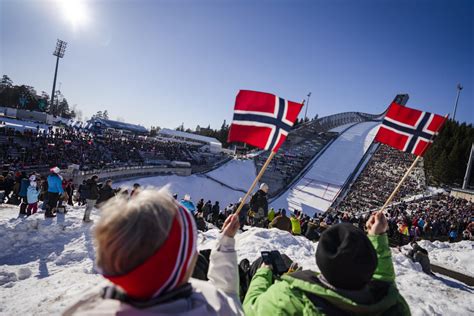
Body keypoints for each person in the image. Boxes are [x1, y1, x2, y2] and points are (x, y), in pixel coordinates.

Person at [63, 188, 244, 315]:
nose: (196, 254)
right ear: (176, 264)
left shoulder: (85, 306)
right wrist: (226, 242)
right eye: (190, 250)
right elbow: (229, 297)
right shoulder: (211, 308)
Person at [243, 212, 410, 315]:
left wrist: (263, 273)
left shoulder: (291, 297)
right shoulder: (393, 306)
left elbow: (251, 308)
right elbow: (383, 280)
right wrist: (377, 236)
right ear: (369, 263)